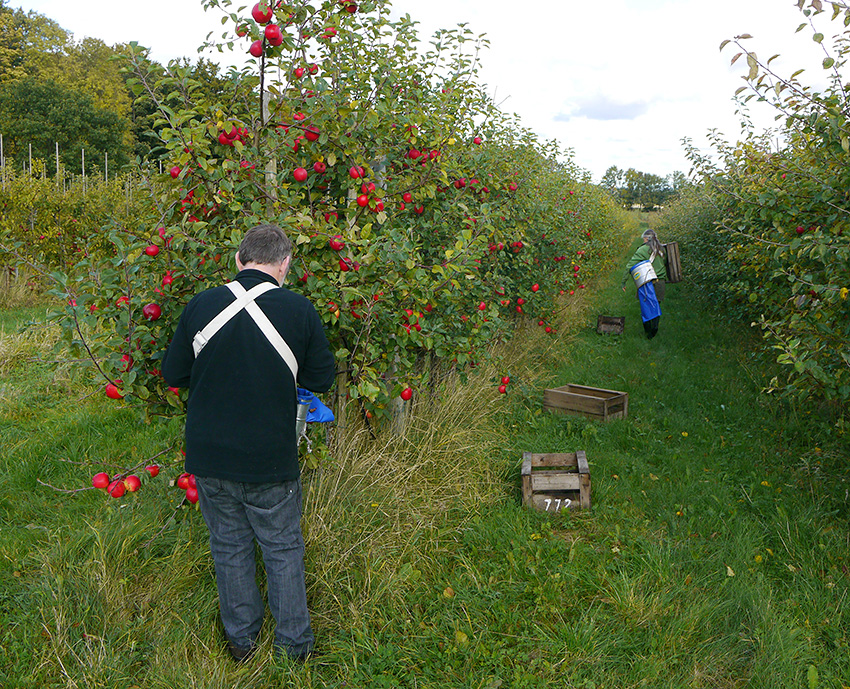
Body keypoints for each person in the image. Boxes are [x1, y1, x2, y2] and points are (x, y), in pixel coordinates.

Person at [162, 223, 335, 663]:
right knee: (281, 548)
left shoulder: (202, 305)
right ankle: (293, 648)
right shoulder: (298, 310)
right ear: (285, 265)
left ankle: (241, 643)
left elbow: (173, 374)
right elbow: (320, 378)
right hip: (269, 455)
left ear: (238, 261)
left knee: (228, 545)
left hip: (210, 453)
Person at [622, 228, 667, 339]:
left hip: (647, 282)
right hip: (660, 282)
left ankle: (648, 332)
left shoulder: (642, 250)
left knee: (646, 307)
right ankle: (654, 329)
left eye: (644, 239)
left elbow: (630, 265)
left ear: (648, 239)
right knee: (656, 305)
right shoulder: (661, 249)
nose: (643, 241)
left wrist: (624, 281)